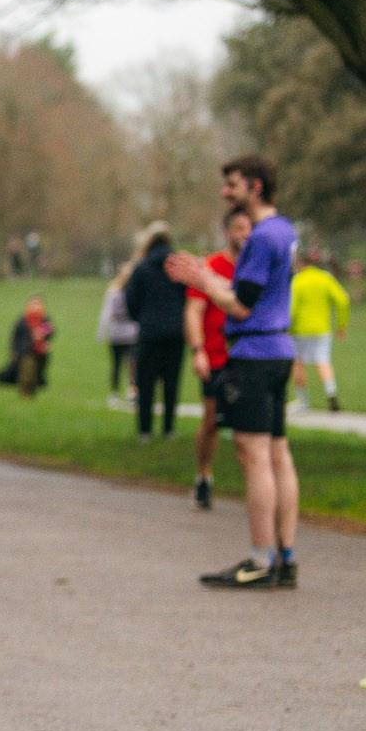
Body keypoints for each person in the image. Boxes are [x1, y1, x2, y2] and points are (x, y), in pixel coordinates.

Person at [168, 154, 301, 589]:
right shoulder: (285, 230)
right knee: (279, 453)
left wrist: (203, 281)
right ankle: (285, 557)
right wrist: (207, 276)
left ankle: (260, 563)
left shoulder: (262, 237)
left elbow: (241, 304)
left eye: (233, 185)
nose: (226, 192)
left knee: (254, 454)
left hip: (254, 354)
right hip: (280, 349)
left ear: (255, 187)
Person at [187, 207, 252, 510]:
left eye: (248, 228)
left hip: (249, 356)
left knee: (249, 426)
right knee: (212, 420)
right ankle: (203, 475)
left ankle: (255, 487)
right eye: (238, 228)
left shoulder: (255, 268)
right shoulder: (210, 267)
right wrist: (198, 350)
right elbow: (194, 311)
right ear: (227, 232)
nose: (244, 234)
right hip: (215, 355)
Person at [125, 223, 188, 439]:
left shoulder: (142, 267)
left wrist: (142, 318)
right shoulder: (178, 267)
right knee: (171, 382)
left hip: (149, 332)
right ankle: (168, 428)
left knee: (146, 383)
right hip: (175, 332)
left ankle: (145, 429)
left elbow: (131, 299)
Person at [289, 251, 348, 413]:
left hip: (299, 330)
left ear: (301, 264)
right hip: (322, 329)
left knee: (298, 363)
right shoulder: (325, 278)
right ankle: (331, 392)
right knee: (323, 361)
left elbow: (292, 309)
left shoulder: (298, 281)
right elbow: (343, 300)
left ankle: (302, 401)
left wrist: (287, 328)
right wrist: (341, 325)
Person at [96, 260, 139, 398]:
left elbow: (106, 314)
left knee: (127, 364)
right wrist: (102, 332)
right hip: (124, 333)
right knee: (124, 364)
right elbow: (106, 314)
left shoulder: (121, 292)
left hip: (127, 333)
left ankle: (125, 391)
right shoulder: (116, 292)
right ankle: (120, 391)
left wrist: (102, 332)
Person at [1, 296, 54, 397]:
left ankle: (32, 391)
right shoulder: (23, 320)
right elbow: (15, 336)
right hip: (26, 351)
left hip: (40, 352)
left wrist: (42, 333)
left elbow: (50, 330)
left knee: (37, 372)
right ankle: (25, 392)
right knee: (26, 372)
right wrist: (13, 350)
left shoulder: (44, 319)